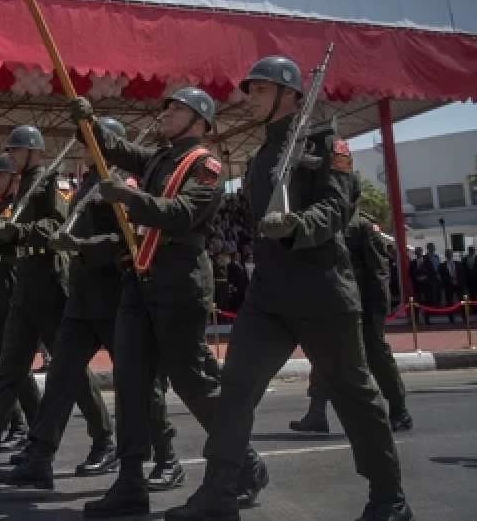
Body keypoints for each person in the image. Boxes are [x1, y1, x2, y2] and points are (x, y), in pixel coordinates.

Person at [167, 55, 410, 521]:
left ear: (291, 94)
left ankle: (389, 497)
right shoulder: (261, 156)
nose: (250, 98)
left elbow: (339, 206)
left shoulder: (327, 144)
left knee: (354, 395)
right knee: (236, 387)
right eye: (251, 90)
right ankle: (221, 489)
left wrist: (299, 225)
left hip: (321, 289)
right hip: (269, 293)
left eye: (260, 89)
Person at [68, 88, 265, 518]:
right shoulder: (159, 158)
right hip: (142, 280)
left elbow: (180, 215)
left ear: (200, 121)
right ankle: (131, 481)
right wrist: (89, 122)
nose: (166, 113)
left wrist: (128, 198)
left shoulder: (206, 166)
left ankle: (244, 463)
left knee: (194, 382)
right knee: (132, 382)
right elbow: (117, 148)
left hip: (180, 282)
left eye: (176, 109)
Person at [0, 118, 181, 491]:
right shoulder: (86, 185)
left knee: (138, 383)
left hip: (114, 298)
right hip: (80, 297)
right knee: (60, 379)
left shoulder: (121, 185)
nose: (83, 147)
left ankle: (167, 458)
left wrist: (82, 247)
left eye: (93, 141)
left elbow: (129, 240)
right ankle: (40, 457)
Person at [0, 125, 114, 478]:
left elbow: (60, 224)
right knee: (9, 369)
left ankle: (103, 437)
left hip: (49, 284)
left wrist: (20, 231)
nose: (10, 157)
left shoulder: (50, 181)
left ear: (35, 153)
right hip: (24, 283)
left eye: (16, 151)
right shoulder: (22, 188)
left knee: (69, 370)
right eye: (10, 152)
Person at [292, 175, 413, 434]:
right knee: (323, 357)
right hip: (333, 304)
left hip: (363, 307)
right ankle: (316, 413)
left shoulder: (364, 227)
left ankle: (399, 409)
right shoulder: (327, 224)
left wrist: (377, 315)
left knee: (377, 357)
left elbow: (378, 273)